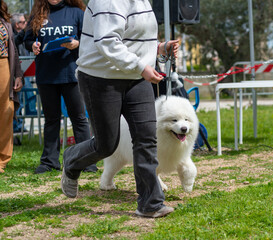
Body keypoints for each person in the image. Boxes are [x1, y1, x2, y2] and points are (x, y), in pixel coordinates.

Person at [60, 0, 179, 218]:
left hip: (136, 78)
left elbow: (134, 38)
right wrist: (142, 66)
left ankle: (150, 203)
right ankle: (72, 160)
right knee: (106, 145)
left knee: (146, 139)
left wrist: (159, 48)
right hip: (100, 78)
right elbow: (108, 42)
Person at [24, 0, 97, 174]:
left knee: (79, 119)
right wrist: (33, 45)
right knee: (51, 120)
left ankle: (86, 161)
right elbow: (27, 39)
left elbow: (90, 38)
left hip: (71, 75)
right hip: (46, 76)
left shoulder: (77, 12)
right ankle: (49, 161)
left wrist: (77, 44)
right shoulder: (38, 14)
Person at [0, 0, 24, 173]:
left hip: (3, 67)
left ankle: (2, 158)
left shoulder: (5, 23)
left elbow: (13, 50)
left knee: (5, 111)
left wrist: (18, 75)